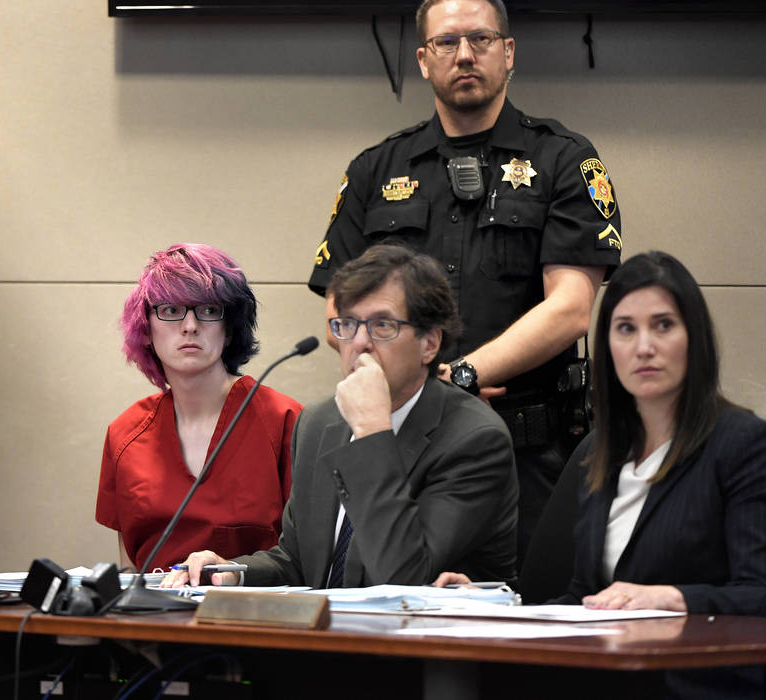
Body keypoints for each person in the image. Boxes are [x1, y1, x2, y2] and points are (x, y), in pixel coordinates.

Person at [307, 0, 622, 565]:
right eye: (448, 43)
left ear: (508, 52)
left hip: (532, 450)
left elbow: (573, 309)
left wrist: (463, 375)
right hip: (399, 443)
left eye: (481, 39)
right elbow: (339, 307)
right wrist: (421, 386)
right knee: (387, 601)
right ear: (424, 60)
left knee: (528, 627)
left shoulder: (564, 160)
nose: (466, 55)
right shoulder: (375, 170)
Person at [437, 251, 766, 698]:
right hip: (606, 674)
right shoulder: (602, 451)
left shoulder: (742, 443)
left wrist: (675, 598)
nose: (643, 346)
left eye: (663, 325)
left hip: (696, 682)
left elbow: (758, 594)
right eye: (626, 329)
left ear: (696, 339)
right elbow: (585, 598)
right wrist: (492, 598)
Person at [165, 245, 517, 589]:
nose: (359, 342)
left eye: (382, 325)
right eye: (347, 324)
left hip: (420, 641)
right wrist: (235, 572)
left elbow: (401, 577)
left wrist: (372, 432)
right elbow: (298, 562)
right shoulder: (319, 423)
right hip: (324, 640)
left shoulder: (474, 438)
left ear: (429, 343)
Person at [96, 243, 302, 573]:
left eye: (208, 310)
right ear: (146, 328)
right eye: (171, 309)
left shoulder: (286, 421)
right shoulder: (125, 433)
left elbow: (309, 560)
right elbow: (129, 568)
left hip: (256, 615)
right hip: (155, 619)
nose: (190, 325)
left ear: (230, 328)